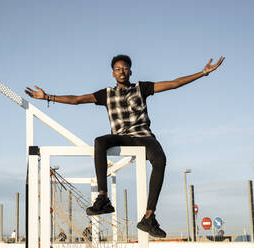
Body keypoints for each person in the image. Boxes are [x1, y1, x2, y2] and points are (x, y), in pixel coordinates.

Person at [25, 54, 224, 238]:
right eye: (118, 68)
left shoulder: (142, 88)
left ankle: (149, 217)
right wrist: (48, 97)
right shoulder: (106, 94)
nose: (122, 71)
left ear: (130, 71)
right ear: (113, 73)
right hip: (121, 136)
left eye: (125, 68)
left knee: (161, 159)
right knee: (100, 142)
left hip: (144, 136)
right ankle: (103, 198)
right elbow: (77, 100)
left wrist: (203, 73)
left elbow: (173, 84)